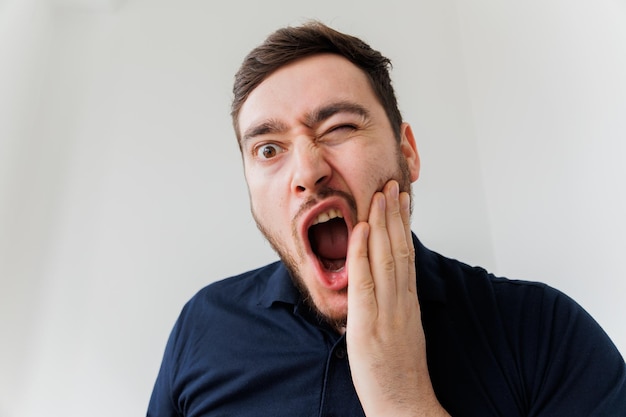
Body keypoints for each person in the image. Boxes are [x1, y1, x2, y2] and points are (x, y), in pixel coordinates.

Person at [147, 21, 626, 416]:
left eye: (338, 128)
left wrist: (402, 399)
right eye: (268, 149)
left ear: (407, 153)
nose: (307, 172)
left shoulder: (544, 332)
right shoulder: (201, 328)